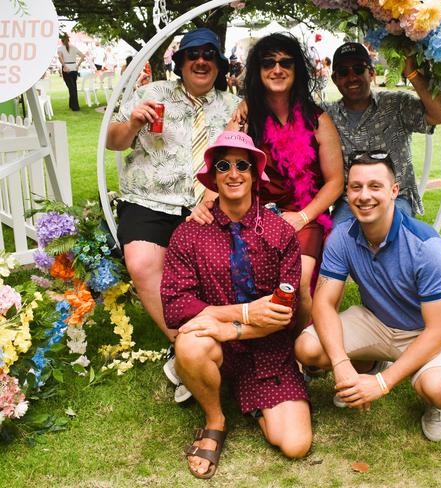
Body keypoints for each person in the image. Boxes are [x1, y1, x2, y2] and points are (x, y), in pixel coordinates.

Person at [161, 131, 311, 479]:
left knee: (295, 444)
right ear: (213, 176)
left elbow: (283, 313)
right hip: (218, 347)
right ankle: (215, 419)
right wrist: (241, 314)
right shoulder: (189, 233)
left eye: (242, 165)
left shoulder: (280, 233)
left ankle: (255, 404)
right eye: (223, 165)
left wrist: (230, 327)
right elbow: (175, 306)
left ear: (255, 174)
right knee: (190, 343)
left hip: (269, 349)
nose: (233, 173)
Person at [106, 28, 239, 402]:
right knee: (142, 261)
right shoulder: (152, 94)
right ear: (179, 63)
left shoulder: (233, 106)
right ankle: (184, 347)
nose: (201, 61)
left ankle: (194, 354)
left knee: (228, 265)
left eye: (210, 55)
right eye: (193, 54)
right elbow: (114, 141)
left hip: (211, 203)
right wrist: (132, 123)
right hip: (151, 200)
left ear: (220, 65)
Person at [294, 152, 441, 442]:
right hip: (374, 320)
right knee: (307, 348)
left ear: (394, 190)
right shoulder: (341, 236)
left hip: (421, 332)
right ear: (347, 193)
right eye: (356, 187)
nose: (364, 196)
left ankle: (431, 404)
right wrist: (341, 365)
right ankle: (369, 365)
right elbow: (323, 304)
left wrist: (382, 384)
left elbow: (438, 331)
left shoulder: (427, 246)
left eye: (375, 186)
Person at [211, 33, 344, 331]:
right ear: (258, 71)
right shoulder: (245, 120)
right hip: (254, 217)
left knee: (297, 283)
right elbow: (227, 172)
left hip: (304, 215)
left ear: (297, 69)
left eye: (286, 62)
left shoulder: (318, 120)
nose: (277, 69)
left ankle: (297, 347)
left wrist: (303, 216)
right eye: (268, 62)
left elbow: (335, 181)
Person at [323, 42, 441, 225]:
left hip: (395, 198)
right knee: (333, 245)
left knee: (388, 241)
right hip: (350, 202)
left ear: (371, 73)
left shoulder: (396, 104)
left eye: (358, 69)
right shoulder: (327, 115)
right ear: (335, 79)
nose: (352, 77)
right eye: (344, 72)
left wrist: (412, 73)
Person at [57, 33, 85, 112]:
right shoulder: (73, 47)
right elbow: (83, 56)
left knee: (72, 88)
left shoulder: (60, 48)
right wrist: (78, 65)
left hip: (67, 68)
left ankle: (75, 107)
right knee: (73, 87)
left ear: (62, 41)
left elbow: (60, 57)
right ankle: (72, 105)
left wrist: (64, 66)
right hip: (74, 67)